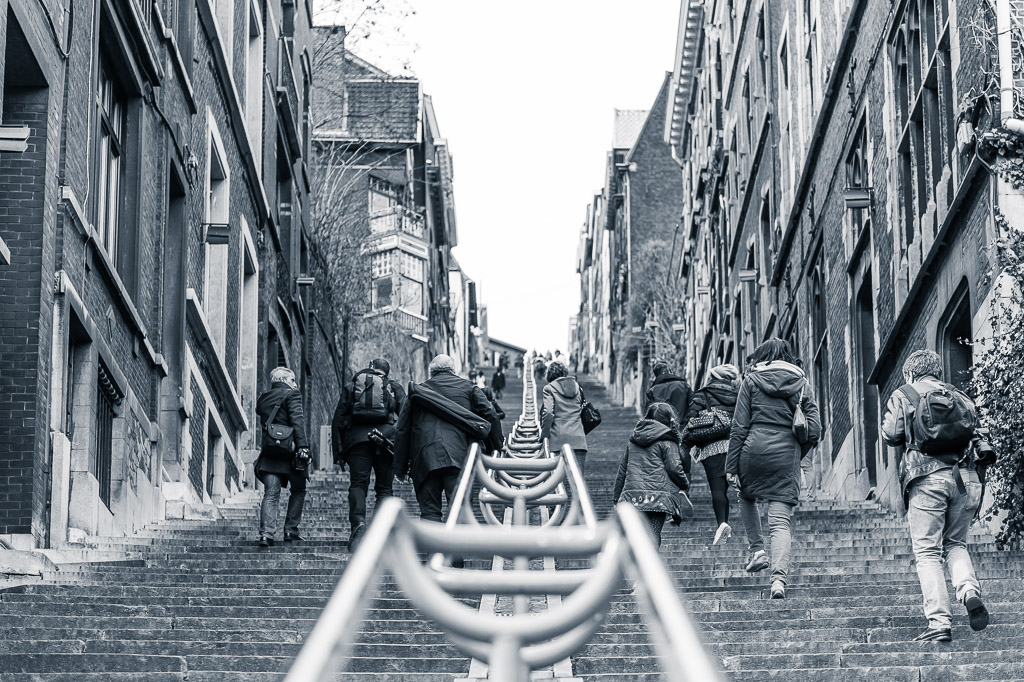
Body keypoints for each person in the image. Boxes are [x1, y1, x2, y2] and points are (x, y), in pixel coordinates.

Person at [881, 349, 989, 642]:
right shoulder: (959, 396)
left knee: (928, 551)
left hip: (927, 478)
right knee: (955, 543)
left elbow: (890, 434)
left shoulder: (904, 394)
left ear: (910, 373)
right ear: (937, 371)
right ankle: (969, 591)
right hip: (965, 479)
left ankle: (939, 621)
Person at [726, 338, 821, 599]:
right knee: (780, 524)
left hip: (752, 451)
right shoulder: (802, 384)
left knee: (746, 495)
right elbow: (815, 430)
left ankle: (757, 550)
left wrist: (731, 466)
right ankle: (778, 581)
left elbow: (739, 427)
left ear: (762, 356)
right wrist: (797, 453)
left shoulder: (751, 381)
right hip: (786, 456)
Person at [394, 355, 503, 522]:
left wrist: (400, 469)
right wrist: (496, 448)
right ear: (453, 370)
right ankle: (458, 539)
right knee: (460, 510)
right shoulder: (469, 388)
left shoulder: (417, 392)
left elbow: (402, 430)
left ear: (431, 372)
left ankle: (432, 540)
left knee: (429, 513)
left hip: (424, 459)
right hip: (459, 458)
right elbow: (491, 415)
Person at [331, 358, 405, 551]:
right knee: (384, 489)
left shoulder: (352, 386)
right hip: (385, 442)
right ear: (387, 372)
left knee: (358, 484)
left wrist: (338, 452)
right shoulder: (394, 387)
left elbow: (338, 419)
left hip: (357, 441)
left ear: (371, 367)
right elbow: (406, 419)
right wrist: (402, 450)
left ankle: (358, 524)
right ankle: (380, 530)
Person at [613, 402, 691, 549]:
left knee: (638, 535)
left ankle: (637, 560)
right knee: (653, 533)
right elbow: (674, 467)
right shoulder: (668, 440)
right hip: (659, 496)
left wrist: (616, 498)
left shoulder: (634, 440)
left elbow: (622, 470)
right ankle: (650, 561)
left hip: (633, 496)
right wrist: (684, 484)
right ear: (669, 420)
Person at [254, 367, 311, 547]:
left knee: (271, 493)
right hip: (291, 452)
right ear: (284, 380)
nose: (295, 384)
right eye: (292, 380)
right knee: (299, 490)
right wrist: (303, 447)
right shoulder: (293, 394)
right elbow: (297, 421)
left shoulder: (263, 398)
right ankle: (290, 530)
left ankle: (266, 534)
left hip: (271, 452)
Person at [685, 364, 740, 545]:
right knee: (729, 488)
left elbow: (691, 420)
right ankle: (726, 527)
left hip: (712, 447)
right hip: (735, 445)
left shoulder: (703, 395)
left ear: (712, 377)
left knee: (718, 488)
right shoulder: (739, 394)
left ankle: (722, 523)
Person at [540, 361, 588, 472]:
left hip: (558, 439)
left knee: (559, 478)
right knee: (577, 478)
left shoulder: (549, 389)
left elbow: (548, 413)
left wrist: (544, 435)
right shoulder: (577, 387)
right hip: (579, 440)